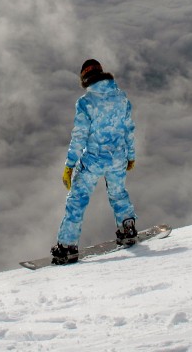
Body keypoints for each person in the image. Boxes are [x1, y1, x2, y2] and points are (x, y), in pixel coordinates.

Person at [51, 59, 138, 265]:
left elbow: (79, 136)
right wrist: (131, 155)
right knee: (118, 194)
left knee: (77, 201)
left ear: (85, 79)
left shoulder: (86, 102)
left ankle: (67, 246)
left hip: (93, 160)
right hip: (118, 157)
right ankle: (128, 230)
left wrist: (69, 165)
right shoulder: (121, 97)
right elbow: (128, 129)